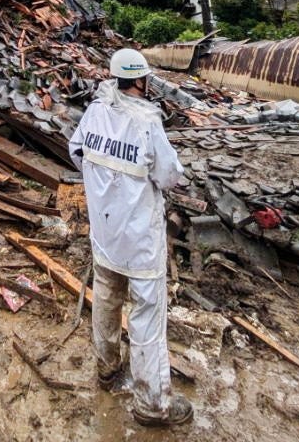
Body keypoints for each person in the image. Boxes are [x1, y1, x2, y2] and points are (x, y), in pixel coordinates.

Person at [69, 48, 192, 428]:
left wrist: (104, 186)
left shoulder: (95, 110)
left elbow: (77, 151)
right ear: (142, 80)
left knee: (105, 302)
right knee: (147, 319)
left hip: (105, 233)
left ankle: (107, 370)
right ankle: (152, 406)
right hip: (140, 240)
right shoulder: (147, 121)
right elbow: (171, 175)